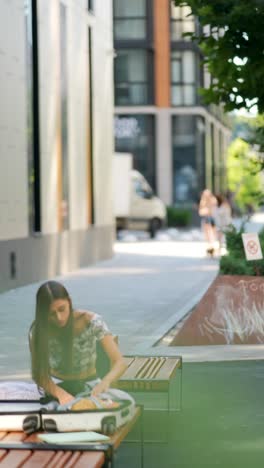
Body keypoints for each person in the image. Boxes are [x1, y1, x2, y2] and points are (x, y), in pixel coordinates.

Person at [29, 281, 128, 406]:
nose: (59, 317)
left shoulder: (91, 321)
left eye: (62, 309)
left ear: (69, 302)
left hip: (90, 384)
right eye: (52, 314)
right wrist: (61, 394)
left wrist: (105, 382)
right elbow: (39, 374)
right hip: (56, 386)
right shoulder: (38, 331)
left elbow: (120, 363)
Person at [198, 189, 217, 255]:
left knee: (212, 233)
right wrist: (206, 211)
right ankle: (209, 248)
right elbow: (200, 212)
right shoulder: (203, 201)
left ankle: (212, 247)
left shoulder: (213, 200)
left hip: (212, 218)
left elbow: (215, 210)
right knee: (207, 234)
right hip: (206, 218)